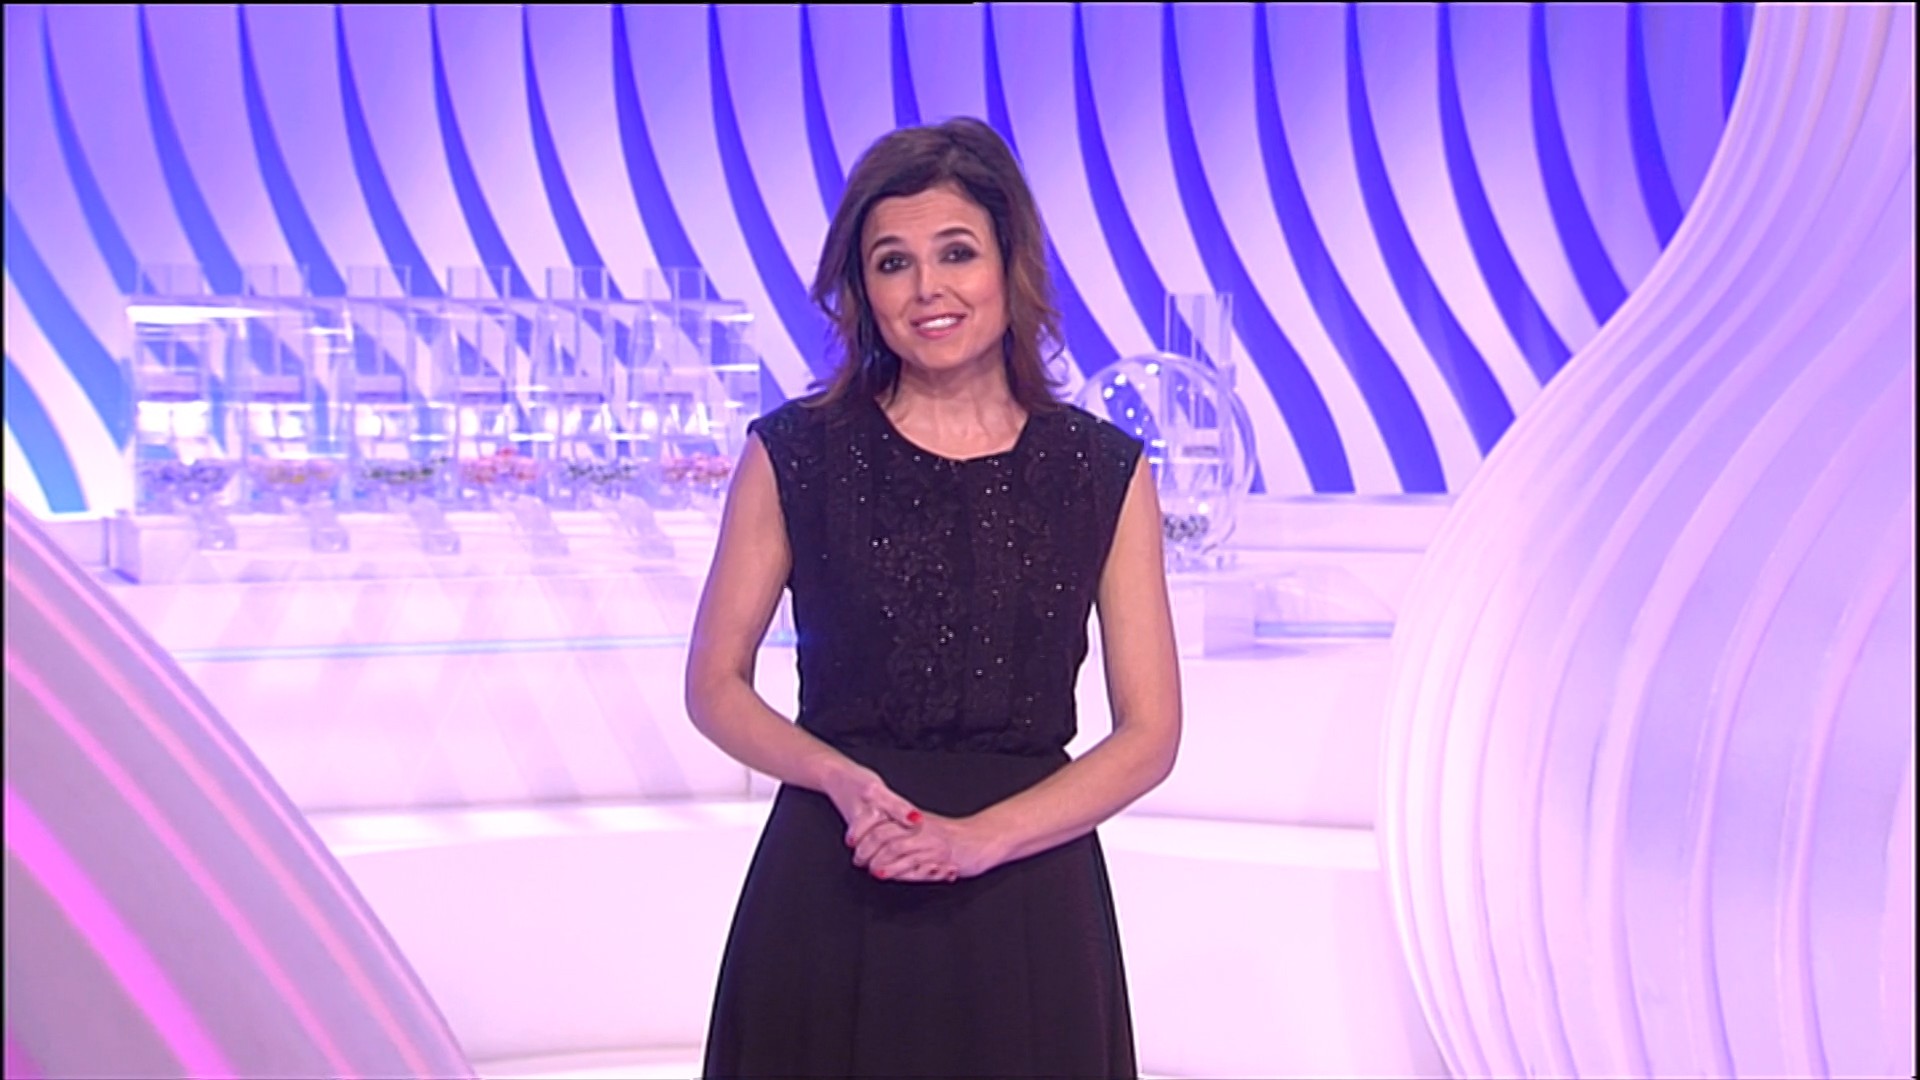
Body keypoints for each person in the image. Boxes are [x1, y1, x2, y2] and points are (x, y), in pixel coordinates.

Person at [685, 116, 1182, 1079]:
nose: (928, 289)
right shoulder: (795, 453)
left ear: (1010, 264)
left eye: (956, 252)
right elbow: (714, 684)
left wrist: (976, 842)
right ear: (862, 291)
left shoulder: (1100, 471)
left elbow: (1150, 734)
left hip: (1026, 895)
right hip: (838, 870)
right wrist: (836, 778)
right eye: (892, 263)